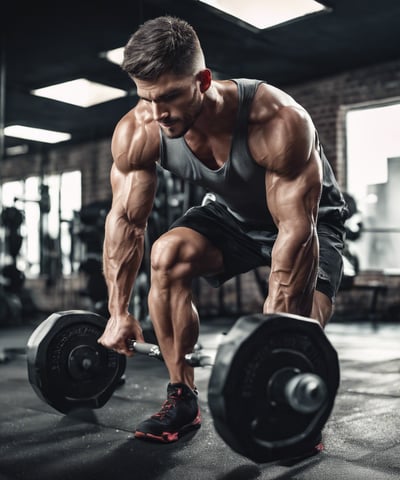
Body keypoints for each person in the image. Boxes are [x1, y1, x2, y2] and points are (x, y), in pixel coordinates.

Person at [97, 16, 348, 446]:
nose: (159, 114)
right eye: (147, 98)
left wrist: (272, 338)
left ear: (203, 80)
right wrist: (118, 311)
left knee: (296, 331)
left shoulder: (277, 120)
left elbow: (294, 232)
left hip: (308, 223)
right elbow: (125, 223)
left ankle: (294, 413)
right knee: (166, 255)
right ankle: (182, 396)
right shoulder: (142, 128)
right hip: (232, 217)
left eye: (170, 97)